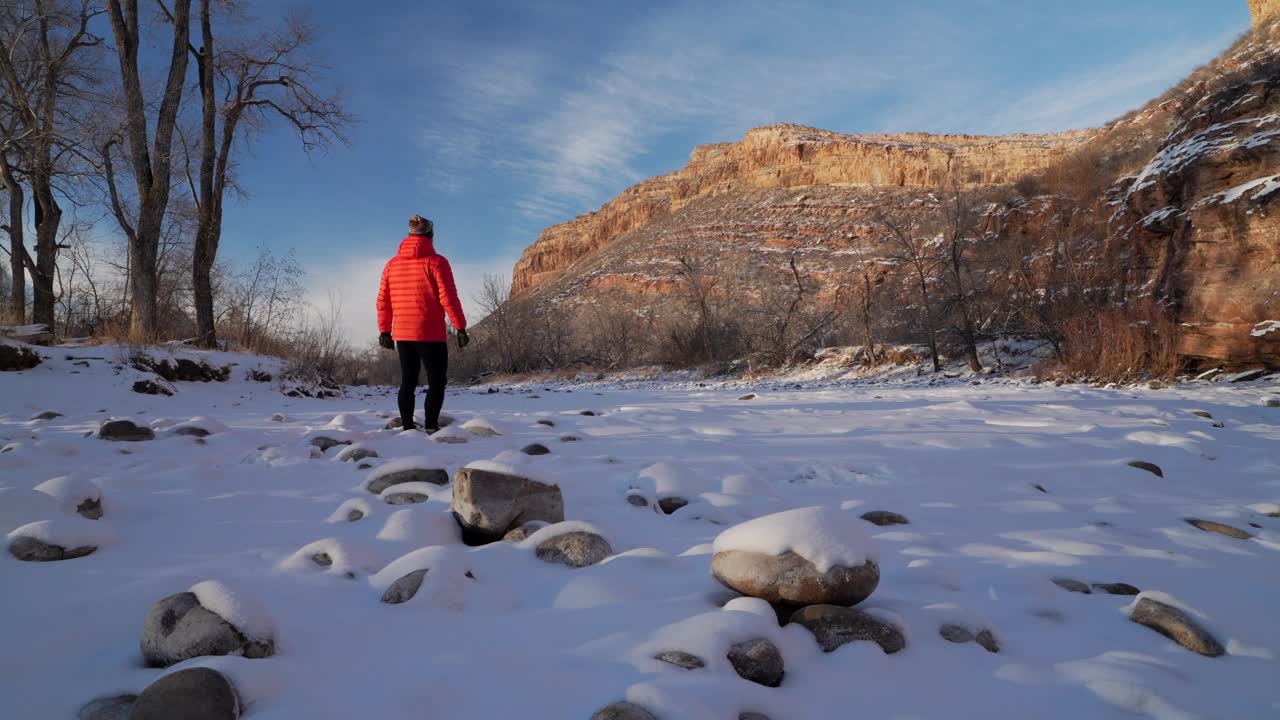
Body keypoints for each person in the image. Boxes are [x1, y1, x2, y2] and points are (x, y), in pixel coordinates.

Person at [376, 214, 469, 432]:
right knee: (436, 382)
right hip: (430, 334)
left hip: (403, 334)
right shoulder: (437, 262)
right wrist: (461, 327)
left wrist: (384, 331)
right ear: (431, 235)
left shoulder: (392, 265)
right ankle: (431, 427)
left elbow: (383, 301)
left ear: (409, 235)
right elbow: (449, 298)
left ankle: (408, 427)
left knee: (408, 381)